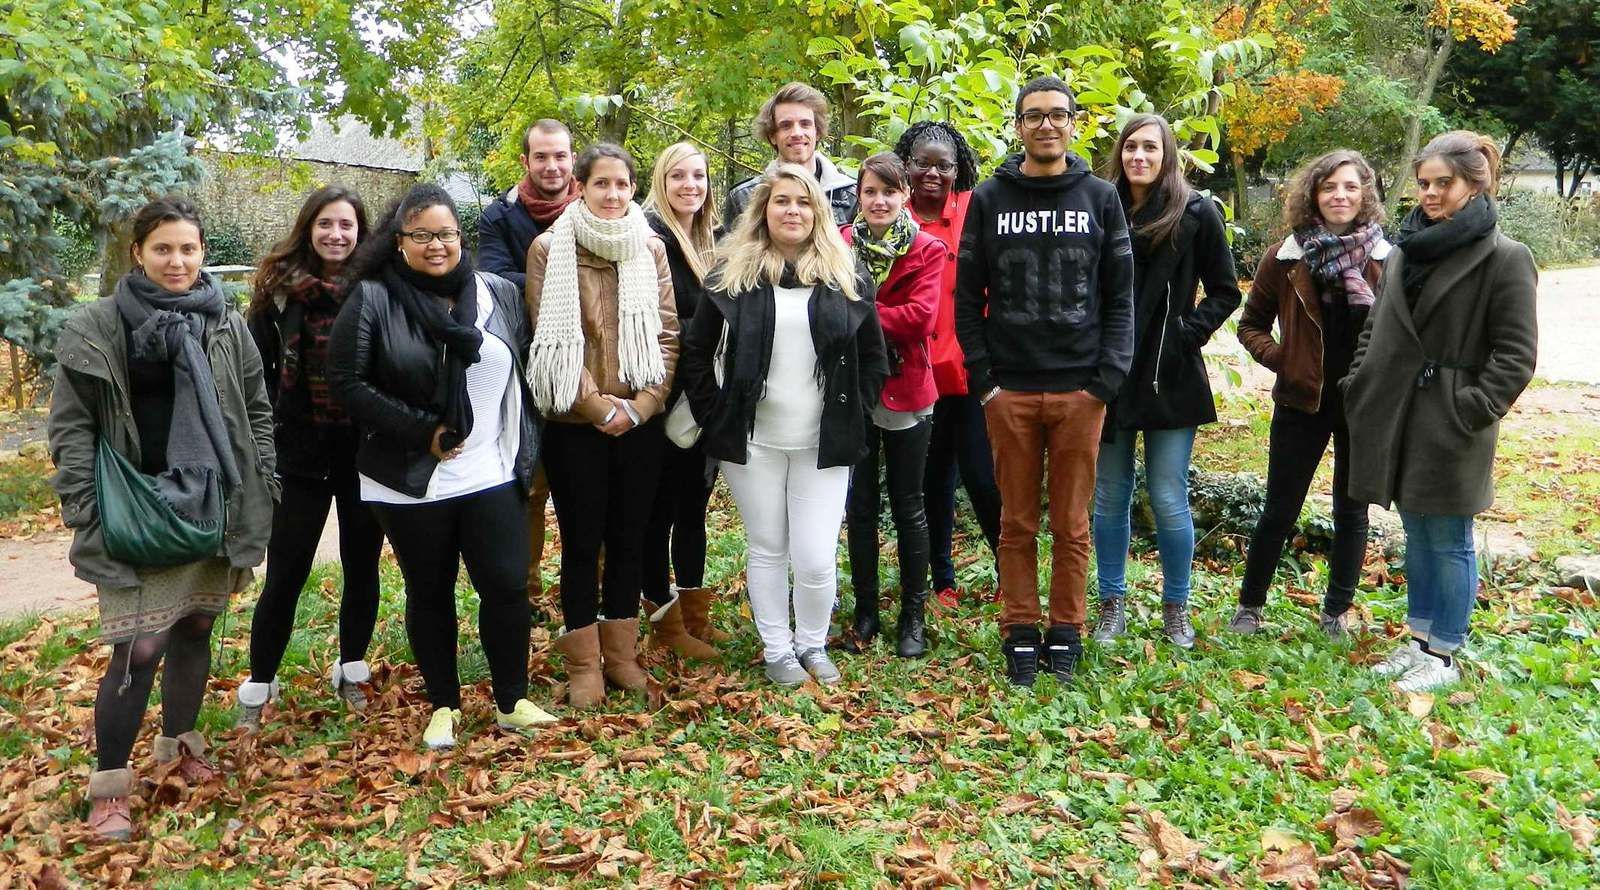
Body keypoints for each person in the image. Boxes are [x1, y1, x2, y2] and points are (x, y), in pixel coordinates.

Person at [49, 197, 278, 839]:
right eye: (163, 249)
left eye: (189, 249)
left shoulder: (225, 324)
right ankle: (110, 788)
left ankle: (180, 745)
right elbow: (71, 430)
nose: (177, 262)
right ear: (138, 253)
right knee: (137, 646)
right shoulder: (98, 327)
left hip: (210, 502)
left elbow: (256, 408)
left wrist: (261, 476)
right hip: (133, 509)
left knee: (196, 625)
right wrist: (85, 508)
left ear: (203, 254)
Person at [328, 183, 556, 750]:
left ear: (462, 237)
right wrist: (420, 430)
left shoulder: (496, 293)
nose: (437, 245)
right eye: (422, 235)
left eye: (447, 234)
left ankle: (512, 699)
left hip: (492, 470)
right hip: (410, 479)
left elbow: (524, 371)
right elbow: (347, 383)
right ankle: (444, 705)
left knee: (505, 585)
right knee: (430, 592)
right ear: (398, 240)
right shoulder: (374, 297)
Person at [954, 76, 1135, 688]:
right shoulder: (988, 198)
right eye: (1034, 116)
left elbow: (1120, 297)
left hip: (1080, 388)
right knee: (1017, 520)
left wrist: (1105, 381)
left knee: (1073, 523)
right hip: (1010, 389)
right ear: (1019, 125)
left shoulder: (1100, 198)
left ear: (1074, 123)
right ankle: (1020, 629)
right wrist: (984, 382)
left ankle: (1067, 628)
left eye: (1058, 115)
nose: (1046, 125)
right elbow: (965, 297)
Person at [679, 163, 887, 687]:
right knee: (768, 547)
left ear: (818, 212)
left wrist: (856, 413)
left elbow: (875, 358)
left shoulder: (847, 278)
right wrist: (715, 416)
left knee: (816, 557)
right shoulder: (731, 279)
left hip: (824, 441)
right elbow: (697, 354)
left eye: (802, 201)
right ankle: (777, 649)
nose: (792, 210)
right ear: (763, 211)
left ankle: (812, 644)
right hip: (753, 445)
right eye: (781, 201)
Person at [1343, 131, 1538, 692]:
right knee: (1416, 532)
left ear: (1475, 185)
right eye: (1424, 183)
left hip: (1450, 419)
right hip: (1396, 413)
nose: (1429, 194)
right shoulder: (1406, 250)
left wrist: (1468, 409)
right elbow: (1376, 326)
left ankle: (1445, 654)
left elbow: (1516, 354)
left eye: (1442, 183)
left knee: (1448, 536)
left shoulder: (1506, 256)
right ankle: (1420, 640)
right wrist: (1358, 384)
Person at [526, 144, 681, 707]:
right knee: (581, 541)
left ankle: (621, 656)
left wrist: (641, 406)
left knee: (630, 539)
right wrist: (599, 408)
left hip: (640, 420)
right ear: (581, 189)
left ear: (633, 188)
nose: (612, 194)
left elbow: (668, 334)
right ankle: (584, 664)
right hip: (575, 421)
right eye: (601, 185)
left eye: (621, 184)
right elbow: (549, 341)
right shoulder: (549, 249)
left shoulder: (651, 249)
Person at [237, 186, 386, 731]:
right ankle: (259, 684)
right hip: (298, 450)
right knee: (286, 571)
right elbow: (255, 375)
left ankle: (351, 668)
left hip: (363, 450)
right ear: (309, 228)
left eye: (347, 225)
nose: (336, 235)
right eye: (326, 224)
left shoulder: (378, 290)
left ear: (361, 232)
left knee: (361, 564)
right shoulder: (278, 296)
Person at [1090, 114, 1241, 649]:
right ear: (1120, 152)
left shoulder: (1196, 212)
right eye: (1131, 147)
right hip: (1108, 373)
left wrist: (1185, 333)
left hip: (1169, 373)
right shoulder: (1100, 205)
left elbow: (1226, 291)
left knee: (1168, 495)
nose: (1139, 157)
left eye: (1150, 148)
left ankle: (1177, 607)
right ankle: (1112, 605)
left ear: (1167, 154)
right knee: (1108, 495)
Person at [1232, 150, 1390, 640]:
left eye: (1349, 186)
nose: (1339, 196)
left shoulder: (1388, 259)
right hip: (1301, 401)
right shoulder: (1287, 258)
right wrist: (1284, 360)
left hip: (1361, 403)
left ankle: (1336, 611)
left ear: (1365, 193)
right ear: (1312, 196)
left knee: (1351, 509)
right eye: (1329, 187)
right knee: (1281, 505)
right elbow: (1251, 325)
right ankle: (1250, 607)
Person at [893, 121, 1002, 608]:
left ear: (958, 169)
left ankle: (1010, 572)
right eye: (922, 163)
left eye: (944, 165)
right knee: (931, 483)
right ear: (906, 166)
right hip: (917, 374)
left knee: (984, 477)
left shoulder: (977, 209)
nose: (932, 173)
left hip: (971, 372)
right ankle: (941, 581)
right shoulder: (895, 217)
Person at [839, 152, 942, 657]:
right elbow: (823, 307)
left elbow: (921, 318)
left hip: (906, 386)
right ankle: (865, 611)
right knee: (859, 505)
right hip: (852, 387)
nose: (878, 201)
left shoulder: (927, 249)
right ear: (859, 196)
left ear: (905, 195)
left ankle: (913, 615)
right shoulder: (838, 244)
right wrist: (874, 315)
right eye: (869, 191)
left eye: (888, 191)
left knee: (908, 504)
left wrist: (857, 312)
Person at [477, 119, 579, 612]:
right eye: (542, 157)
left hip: (590, 360)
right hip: (525, 362)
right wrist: (566, 278)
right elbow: (495, 279)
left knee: (585, 485)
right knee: (531, 483)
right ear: (526, 161)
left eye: (560, 155)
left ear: (572, 158)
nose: (552, 165)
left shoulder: (596, 207)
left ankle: (589, 587)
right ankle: (529, 592)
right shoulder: (499, 215)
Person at [640, 142, 726, 659]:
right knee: (659, 512)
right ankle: (662, 618)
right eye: (678, 176)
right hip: (664, 396)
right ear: (661, 181)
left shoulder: (714, 240)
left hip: (704, 398)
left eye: (698, 175)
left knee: (693, 508)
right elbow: (662, 322)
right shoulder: (653, 237)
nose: (690, 185)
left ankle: (694, 615)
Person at [723, 82, 857, 225]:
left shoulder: (851, 196)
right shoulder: (745, 197)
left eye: (805, 124)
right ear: (772, 135)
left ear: (817, 131)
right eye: (786, 125)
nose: (797, 133)